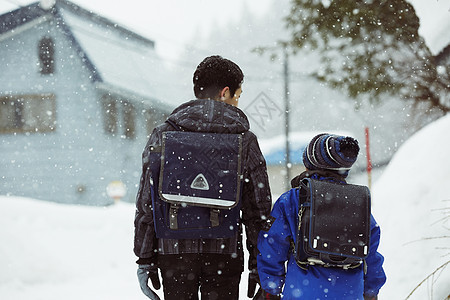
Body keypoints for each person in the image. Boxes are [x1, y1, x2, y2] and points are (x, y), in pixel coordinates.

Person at [134, 55, 273, 300]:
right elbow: (257, 212)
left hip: (173, 253)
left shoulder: (163, 135)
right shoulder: (245, 140)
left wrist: (144, 258)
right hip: (225, 252)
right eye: (238, 96)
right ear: (225, 93)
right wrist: (260, 266)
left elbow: (147, 203)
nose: (238, 103)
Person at [256, 133, 387, 300]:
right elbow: (371, 256)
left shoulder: (292, 200)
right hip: (349, 294)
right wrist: (371, 292)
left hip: (302, 293)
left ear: (309, 164)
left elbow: (272, 248)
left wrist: (271, 288)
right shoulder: (357, 203)